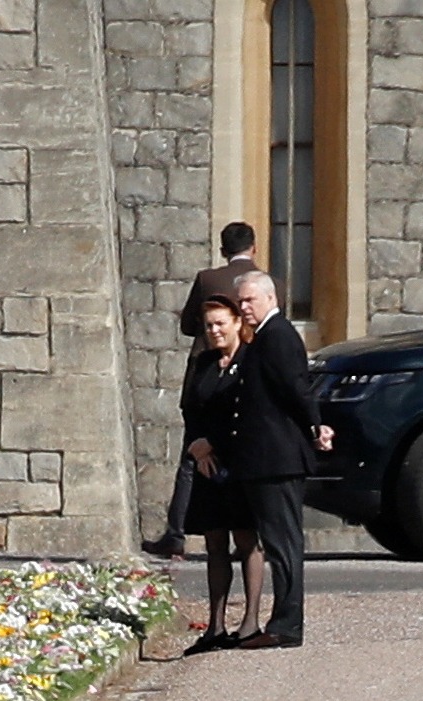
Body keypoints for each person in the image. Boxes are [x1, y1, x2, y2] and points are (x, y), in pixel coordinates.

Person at [223, 270, 333, 649]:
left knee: (284, 545)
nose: (244, 307)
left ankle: (286, 625)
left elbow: (297, 389)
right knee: (277, 543)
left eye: (249, 300)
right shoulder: (265, 337)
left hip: (278, 458)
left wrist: (317, 426)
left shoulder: (279, 335)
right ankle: (283, 622)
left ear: (271, 299)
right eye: (240, 302)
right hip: (265, 458)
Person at [142, 221, 261, 558]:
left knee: (191, 457)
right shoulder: (271, 284)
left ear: (223, 250)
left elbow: (186, 325)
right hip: (246, 375)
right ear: (254, 248)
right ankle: (247, 535)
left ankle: (176, 533)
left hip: (205, 376)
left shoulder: (208, 279)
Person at [179, 295, 265, 655]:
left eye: (220, 323)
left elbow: (253, 411)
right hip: (207, 465)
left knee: (247, 540)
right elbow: (191, 407)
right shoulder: (204, 363)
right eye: (209, 325)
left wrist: (214, 443)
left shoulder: (252, 360)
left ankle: (250, 622)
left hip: (241, 461)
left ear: (235, 323)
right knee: (214, 543)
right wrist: (197, 445)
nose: (214, 331)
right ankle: (215, 625)